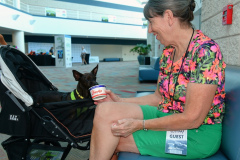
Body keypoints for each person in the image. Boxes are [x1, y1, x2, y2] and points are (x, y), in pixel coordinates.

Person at [89, 0, 226, 159]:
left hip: (196, 135)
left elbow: (192, 119)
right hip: (168, 115)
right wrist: (119, 100)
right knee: (105, 110)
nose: (150, 29)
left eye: (151, 22)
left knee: (111, 138)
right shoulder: (169, 52)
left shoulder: (206, 52)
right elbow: (158, 98)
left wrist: (140, 125)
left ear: (168, 16)